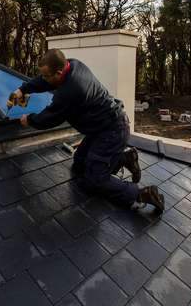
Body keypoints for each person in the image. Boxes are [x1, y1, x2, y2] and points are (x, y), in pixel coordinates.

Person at [10, 48, 164, 213]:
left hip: (112, 130)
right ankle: (124, 158)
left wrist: (29, 119)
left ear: (60, 72)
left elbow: (51, 117)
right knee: (80, 165)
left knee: (94, 180)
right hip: (100, 128)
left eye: (47, 75)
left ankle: (142, 194)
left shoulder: (71, 90)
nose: (44, 79)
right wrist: (23, 89)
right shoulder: (73, 64)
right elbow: (45, 81)